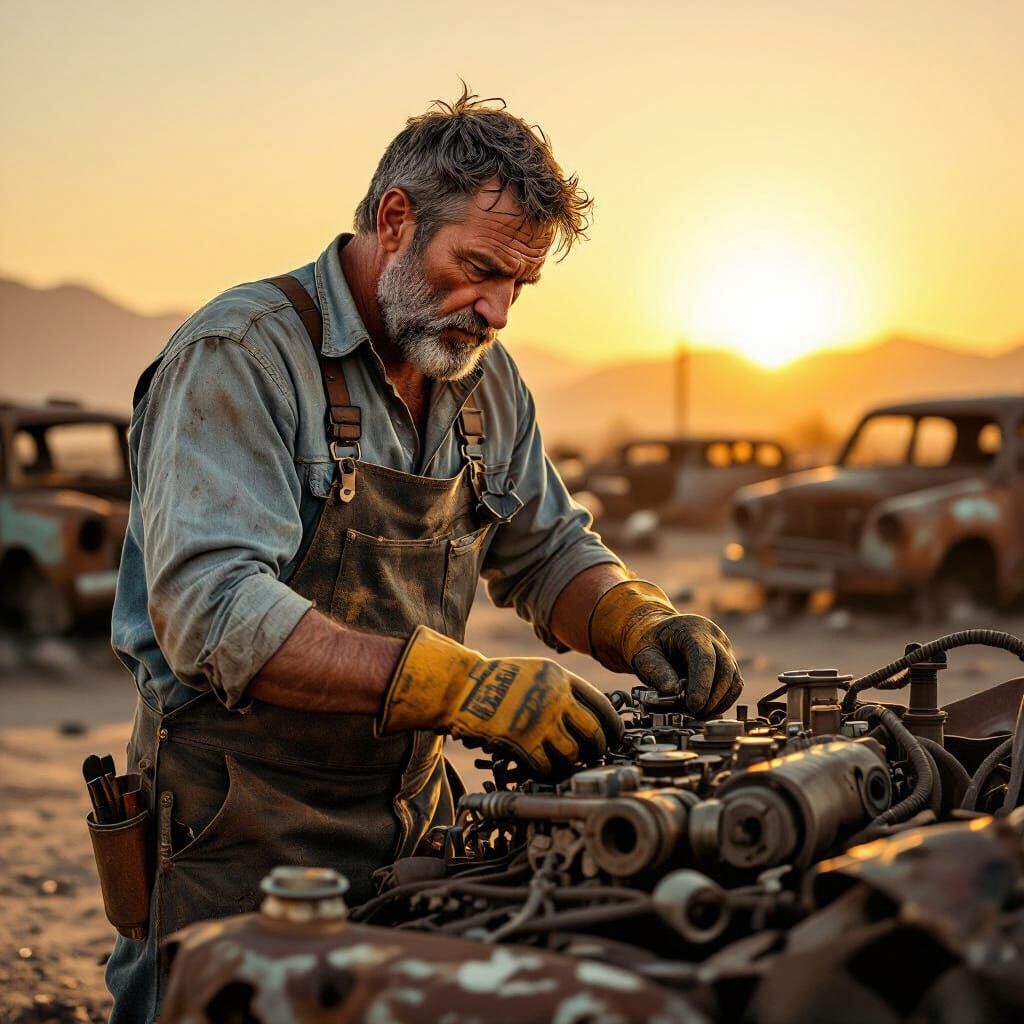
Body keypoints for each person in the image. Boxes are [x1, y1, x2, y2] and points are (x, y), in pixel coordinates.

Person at [106, 87, 742, 1019]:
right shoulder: (239, 355)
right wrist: (467, 688)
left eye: (518, 285)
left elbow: (546, 547)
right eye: (478, 268)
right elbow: (213, 612)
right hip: (235, 822)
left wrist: (631, 616)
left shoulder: (481, 377)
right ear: (395, 221)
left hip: (412, 814)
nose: (497, 310)